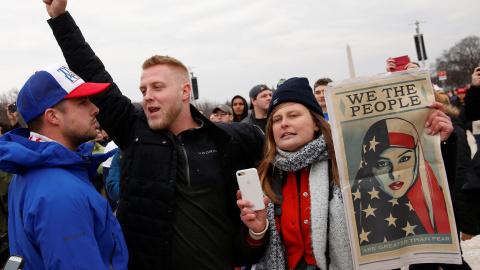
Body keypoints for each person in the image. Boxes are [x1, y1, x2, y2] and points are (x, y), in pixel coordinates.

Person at [44, 1, 268, 269]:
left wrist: (257, 231)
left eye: (157, 87)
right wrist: (59, 17)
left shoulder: (232, 140)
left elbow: (249, 241)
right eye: (143, 90)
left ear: (185, 92)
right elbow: (92, 72)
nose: (147, 95)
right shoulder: (135, 130)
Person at [0, 63, 128, 269]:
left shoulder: (30, 171)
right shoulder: (59, 192)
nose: (95, 109)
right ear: (53, 116)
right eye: (83, 102)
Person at [239, 77, 353, 270]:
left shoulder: (345, 163)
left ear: (316, 123)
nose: (284, 124)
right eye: (277, 119)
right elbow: (243, 256)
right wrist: (257, 232)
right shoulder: (265, 175)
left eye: (293, 115)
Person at [352, 117, 454, 245]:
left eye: (404, 159)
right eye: (383, 164)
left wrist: (443, 143)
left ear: (417, 158)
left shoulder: (429, 198)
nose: (395, 175)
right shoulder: (360, 206)